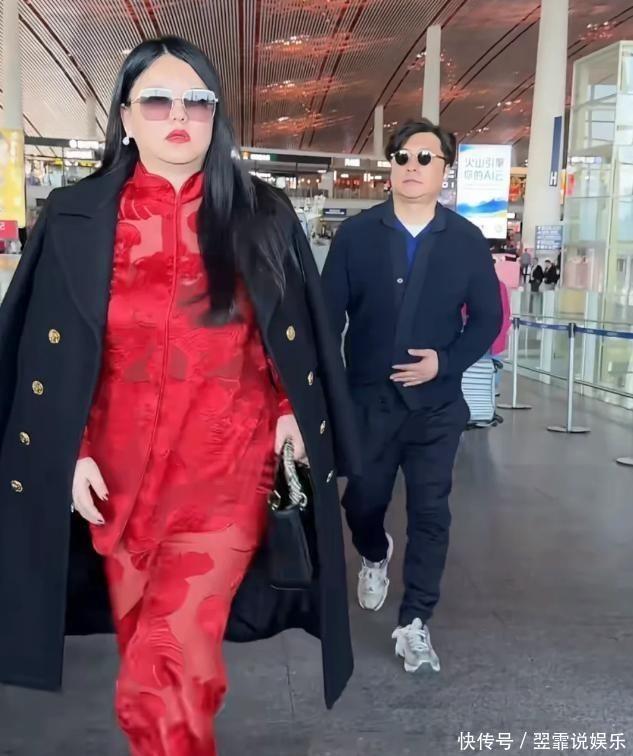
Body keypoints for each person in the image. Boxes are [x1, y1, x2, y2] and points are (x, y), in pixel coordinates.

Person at [0, 37, 360, 756]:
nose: (178, 116)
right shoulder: (75, 217)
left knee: (172, 655)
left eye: (197, 101)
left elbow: (292, 334)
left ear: (215, 116)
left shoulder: (261, 214)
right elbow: (45, 351)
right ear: (126, 117)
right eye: (158, 100)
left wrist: (288, 410)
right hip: (115, 483)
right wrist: (69, 449)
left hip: (226, 474)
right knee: (148, 647)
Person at [321, 119, 502, 674]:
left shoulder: (465, 240)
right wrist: (328, 393)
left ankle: (415, 620)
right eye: (402, 157)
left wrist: (444, 362)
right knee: (361, 501)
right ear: (390, 166)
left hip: (437, 408)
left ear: (445, 170)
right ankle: (375, 552)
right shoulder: (357, 236)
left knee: (430, 511)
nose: (412, 167)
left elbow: (487, 319)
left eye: (426, 158)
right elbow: (328, 316)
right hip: (369, 404)